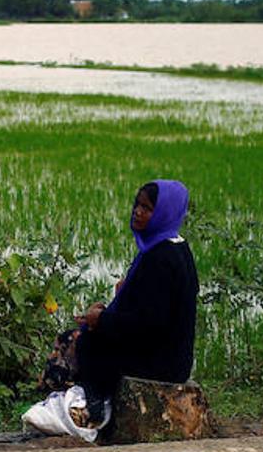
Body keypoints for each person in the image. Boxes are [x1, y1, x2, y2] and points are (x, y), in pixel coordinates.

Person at [70, 180, 199, 428]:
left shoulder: (159, 258)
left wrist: (101, 320)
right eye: (137, 205)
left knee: (80, 341)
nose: (137, 212)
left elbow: (148, 325)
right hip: (173, 358)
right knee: (88, 335)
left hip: (160, 364)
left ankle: (96, 403)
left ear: (164, 213)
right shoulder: (175, 247)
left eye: (147, 208)